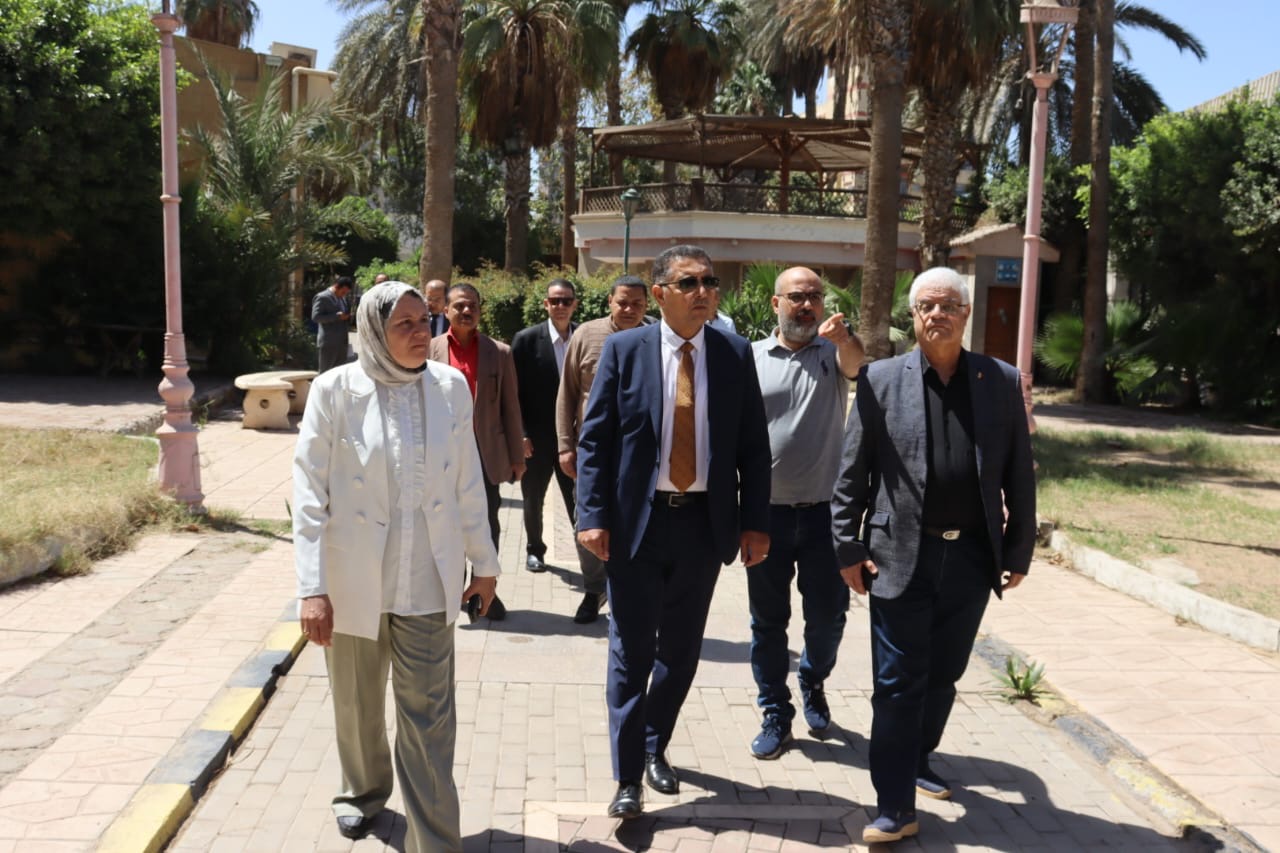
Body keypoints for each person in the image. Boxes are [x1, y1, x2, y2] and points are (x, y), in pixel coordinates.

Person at [830, 266, 1036, 844]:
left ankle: (918, 757)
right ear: (914, 315)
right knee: (898, 683)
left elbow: (1019, 472)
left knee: (944, 675)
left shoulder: (999, 381)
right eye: (926, 305)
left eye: (948, 305)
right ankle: (894, 806)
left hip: (971, 558)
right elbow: (852, 472)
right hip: (898, 556)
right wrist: (847, 545)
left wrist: (1019, 547)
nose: (937, 314)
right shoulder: (880, 379)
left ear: (966, 314)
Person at [293, 281, 500, 852]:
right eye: (403, 325)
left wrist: (484, 563)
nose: (418, 333)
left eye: (421, 322)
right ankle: (361, 792)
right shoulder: (335, 389)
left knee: (429, 718)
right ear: (372, 332)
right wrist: (312, 588)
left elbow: (468, 481)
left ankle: (434, 840)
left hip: (427, 576)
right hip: (351, 579)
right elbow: (308, 495)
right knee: (357, 702)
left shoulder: (449, 387)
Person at [576, 245, 772, 819]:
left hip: (703, 525)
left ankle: (653, 741)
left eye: (710, 281)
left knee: (681, 652)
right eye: (690, 283)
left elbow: (753, 446)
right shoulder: (625, 350)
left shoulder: (734, 353)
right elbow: (596, 440)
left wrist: (755, 524)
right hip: (636, 524)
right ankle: (627, 778)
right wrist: (592, 516)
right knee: (630, 651)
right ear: (660, 293)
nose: (704, 292)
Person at [747, 266, 864, 760]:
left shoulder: (833, 352)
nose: (807, 304)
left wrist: (846, 337)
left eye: (815, 296)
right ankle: (776, 710)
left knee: (828, 618)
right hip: (766, 516)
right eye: (797, 296)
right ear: (776, 304)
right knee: (767, 622)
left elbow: (858, 366)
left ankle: (812, 678)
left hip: (825, 516)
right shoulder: (751, 357)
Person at [555, 275, 649, 624]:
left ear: (647, 305)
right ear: (609, 301)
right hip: (592, 454)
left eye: (637, 304)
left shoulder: (655, 339)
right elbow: (567, 393)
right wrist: (565, 446)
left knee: (634, 525)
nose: (629, 309)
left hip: (639, 456)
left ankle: (625, 592)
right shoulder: (586, 335)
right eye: (622, 302)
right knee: (587, 524)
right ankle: (594, 589)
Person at [429, 282, 524, 620]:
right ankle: (450, 590)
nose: (466, 311)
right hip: (441, 455)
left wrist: (516, 456)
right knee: (444, 523)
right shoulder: (428, 350)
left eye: (472, 306)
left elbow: (510, 407)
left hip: (485, 455)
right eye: (459, 306)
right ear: (446, 310)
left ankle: (485, 593)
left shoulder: (499, 352)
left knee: (487, 522)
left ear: (480, 311)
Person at [511, 279, 578, 577]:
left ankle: (587, 556)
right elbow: (513, 392)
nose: (561, 306)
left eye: (566, 301)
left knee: (579, 499)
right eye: (555, 301)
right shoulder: (526, 340)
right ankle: (534, 550)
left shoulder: (583, 336)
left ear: (575, 304)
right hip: (536, 438)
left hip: (573, 439)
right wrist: (521, 433)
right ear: (546, 304)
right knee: (533, 497)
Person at [312, 275, 353, 373]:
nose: (344, 295)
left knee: (339, 373)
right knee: (325, 372)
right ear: (336, 286)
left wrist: (348, 316)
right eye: (343, 292)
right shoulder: (322, 297)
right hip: (329, 342)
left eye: (346, 293)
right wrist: (336, 316)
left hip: (342, 343)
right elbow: (316, 317)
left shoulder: (343, 298)